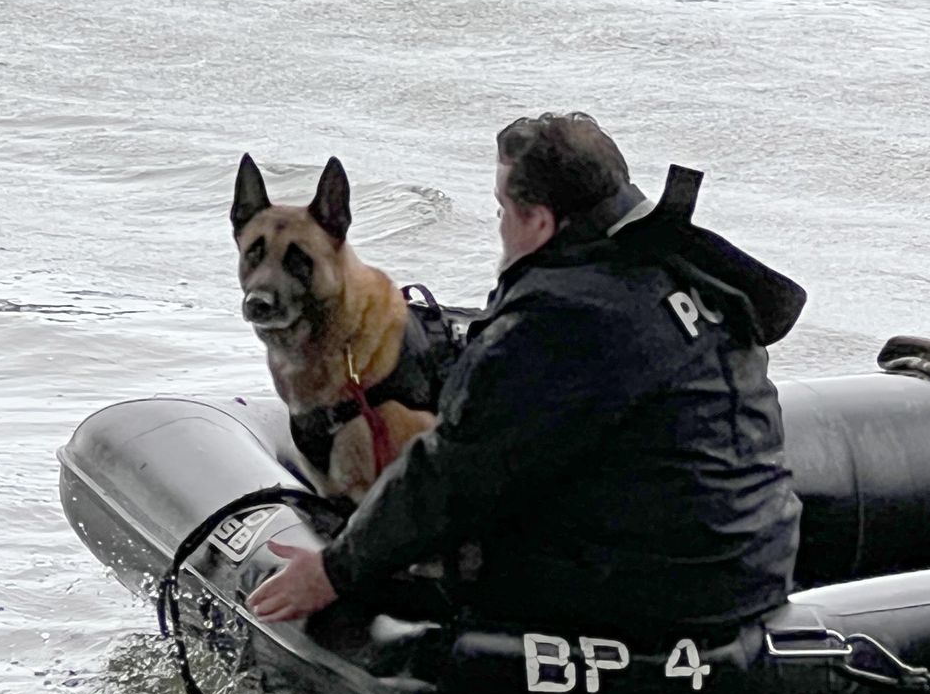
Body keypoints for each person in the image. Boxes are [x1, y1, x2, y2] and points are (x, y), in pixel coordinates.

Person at [248, 112, 804, 638]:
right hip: (754, 565)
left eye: (501, 208)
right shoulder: (685, 266)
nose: (499, 224)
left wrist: (334, 569)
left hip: (655, 595)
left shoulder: (556, 322)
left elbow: (454, 476)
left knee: (419, 558)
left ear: (538, 221)